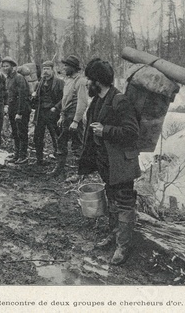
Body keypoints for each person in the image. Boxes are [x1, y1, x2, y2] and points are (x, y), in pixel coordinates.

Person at [78, 58, 141, 265]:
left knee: (124, 203)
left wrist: (104, 130)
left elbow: (132, 132)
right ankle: (114, 235)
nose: (87, 83)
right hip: (106, 163)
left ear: (98, 81)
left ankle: (123, 246)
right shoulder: (97, 100)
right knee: (112, 200)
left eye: (89, 79)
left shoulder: (120, 100)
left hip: (121, 164)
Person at [49, 55, 88, 177]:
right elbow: (65, 100)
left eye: (66, 66)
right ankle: (59, 169)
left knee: (77, 145)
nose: (64, 68)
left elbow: (82, 103)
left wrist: (76, 121)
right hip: (67, 115)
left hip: (74, 116)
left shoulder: (80, 81)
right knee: (61, 141)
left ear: (73, 67)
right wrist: (61, 116)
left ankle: (80, 173)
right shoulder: (69, 80)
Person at [31, 60, 64, 166]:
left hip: (53, 113)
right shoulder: (39, 84)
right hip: (40, 113)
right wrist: (34, 97)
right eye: (44, 69)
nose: (45, 71)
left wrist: (56, 107)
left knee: (56, 135)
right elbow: (34, 102)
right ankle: (39, 159)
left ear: (52, 70)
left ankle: (59, 158)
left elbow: (64, 99)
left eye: (48, 69)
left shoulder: (59, 83)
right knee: (38, 136)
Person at [1, 56, 31, 164]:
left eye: (7, 66)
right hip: (13, 110)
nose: (5, 68)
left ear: (13, 67)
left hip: (21, 110)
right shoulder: (8, 78)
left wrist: (20, 113)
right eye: (3, 66)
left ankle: (23, 156)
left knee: (22, 132)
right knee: (15, 132)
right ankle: (17, 154)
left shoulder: (19, 78)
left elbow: (22, 96)